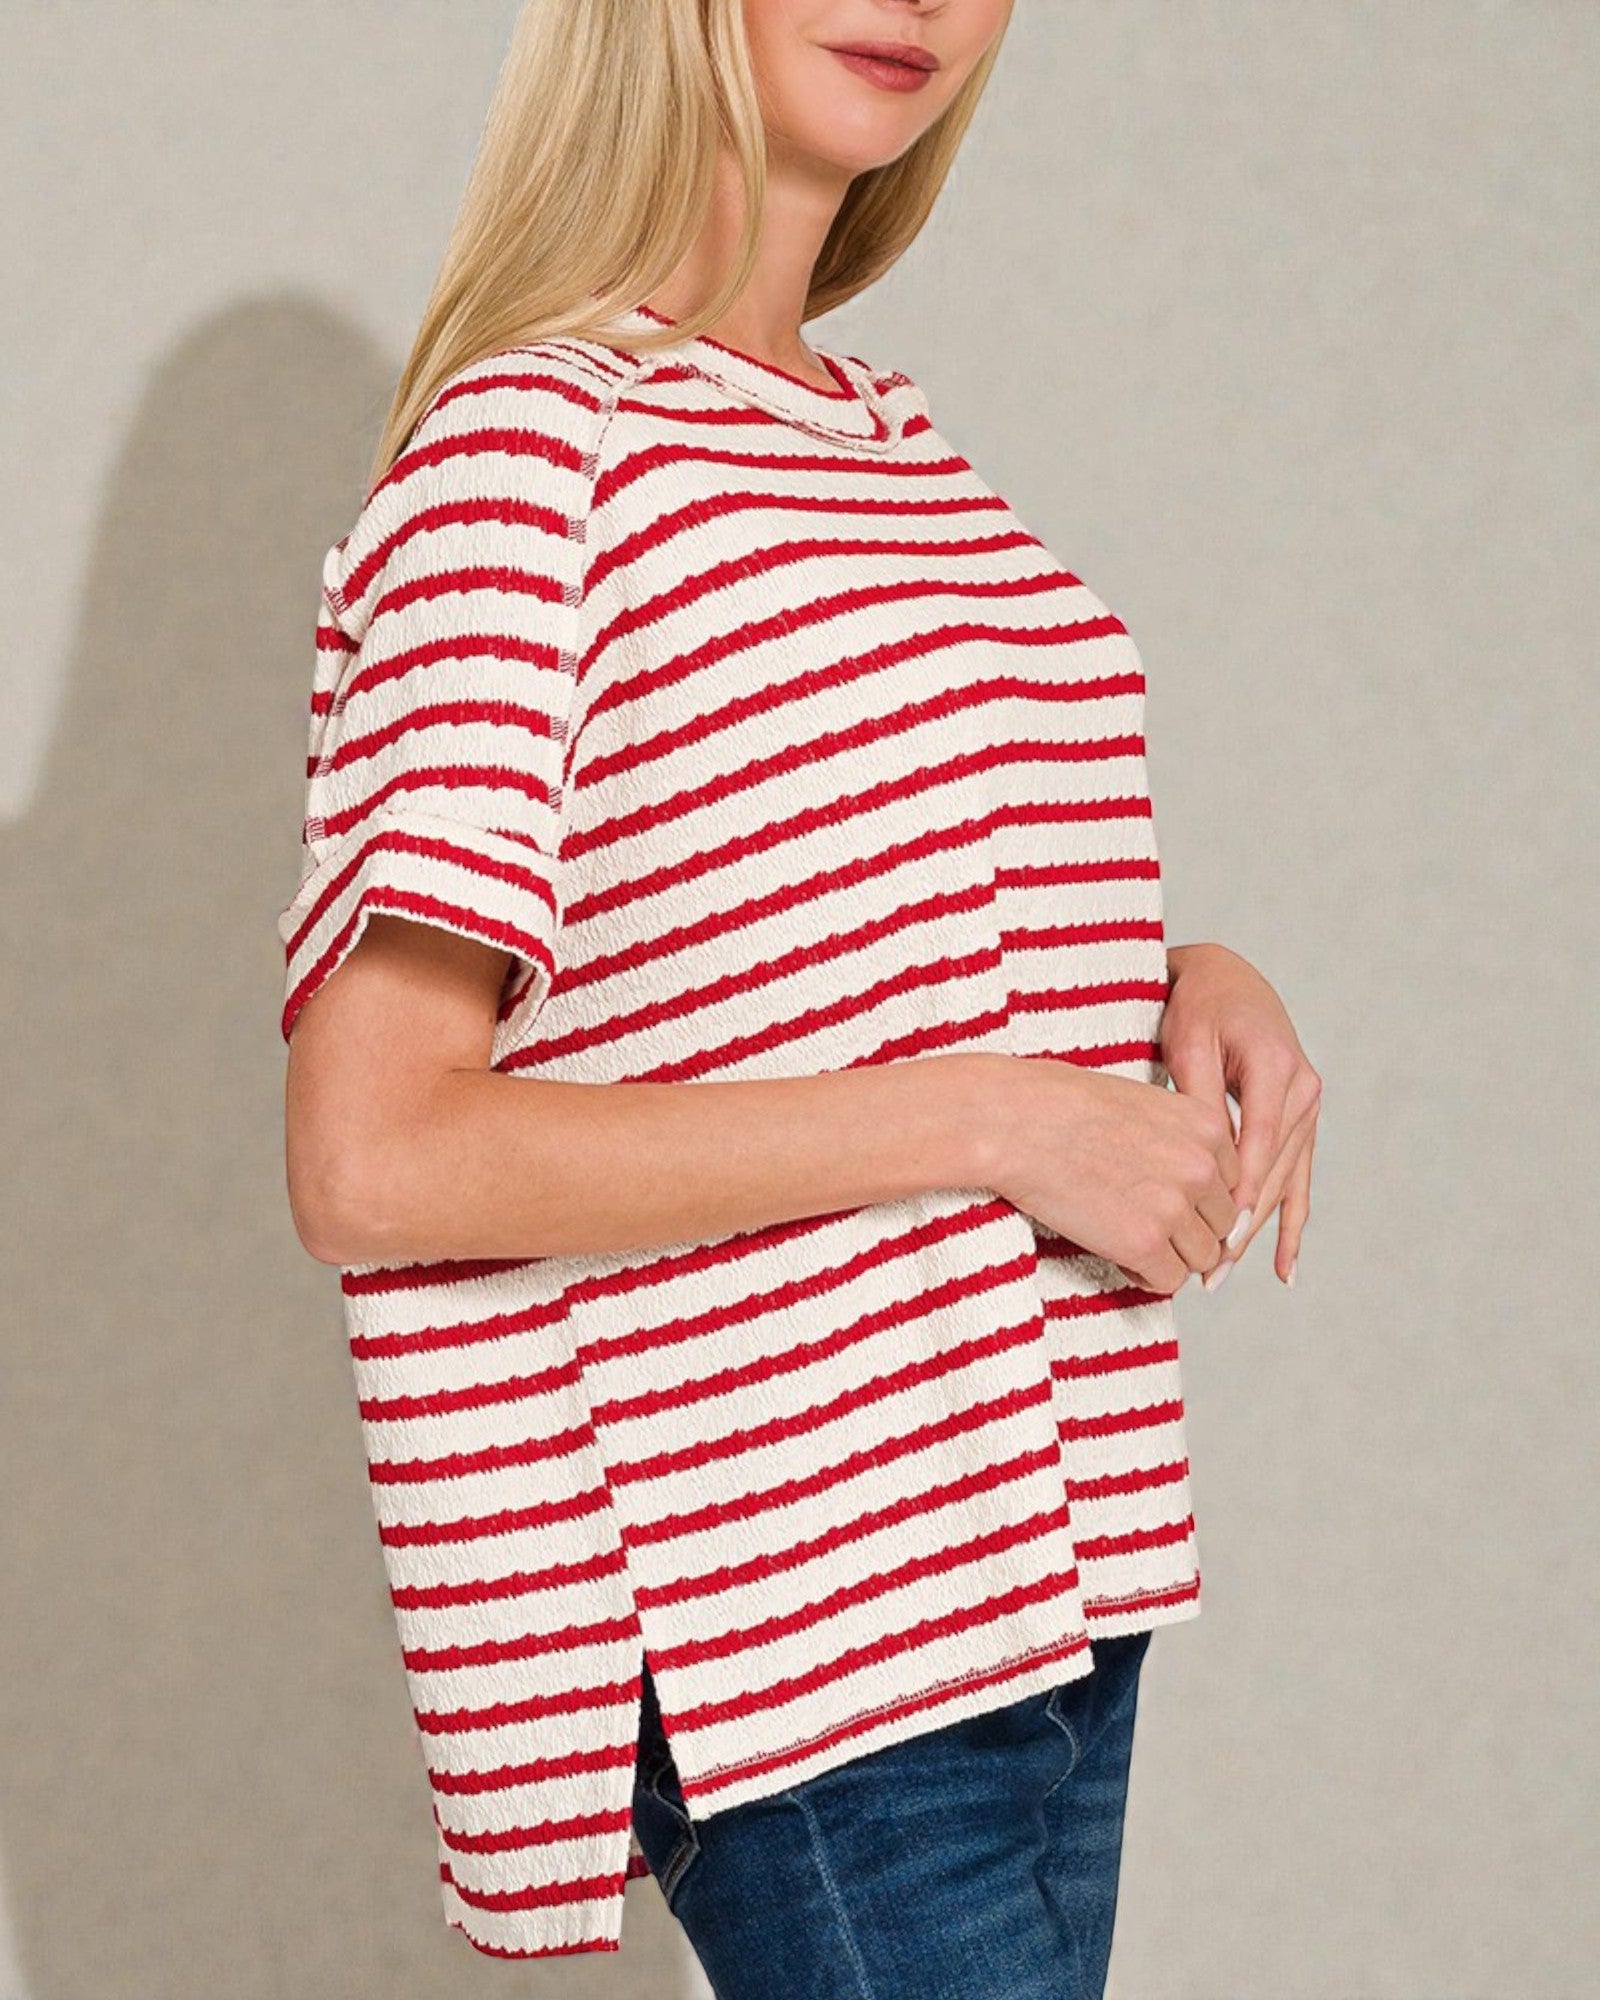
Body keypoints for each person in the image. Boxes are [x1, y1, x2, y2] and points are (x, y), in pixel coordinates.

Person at [277, 0, 1322, 1991]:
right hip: (792, 1586)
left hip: (1043, 1536)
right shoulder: (532, 451)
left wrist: (1184, 976)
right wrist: (994, 1114)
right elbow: (375, 1146)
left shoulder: (882, 436)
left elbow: (815, 914)